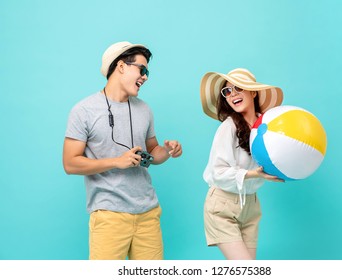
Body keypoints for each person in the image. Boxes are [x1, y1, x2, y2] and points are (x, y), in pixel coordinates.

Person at [63, 41, 182, 260]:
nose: (145, 77)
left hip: (148, 214)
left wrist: (166, 151)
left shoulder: (144, 109)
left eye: (147, 72)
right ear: (121, 66)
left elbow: (152, 152)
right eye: (141, 69)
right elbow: (70, 163)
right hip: (109, 217)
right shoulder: (83, 110)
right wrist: (116, 162)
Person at [200, 68, 284, 260]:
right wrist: (255, 174)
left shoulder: (265, 125)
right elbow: (217, 172)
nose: (232, 95)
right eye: (227, 92)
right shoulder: (228, 127)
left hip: (250, 205)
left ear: (253, 92)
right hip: (223, 205)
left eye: (238, 88)